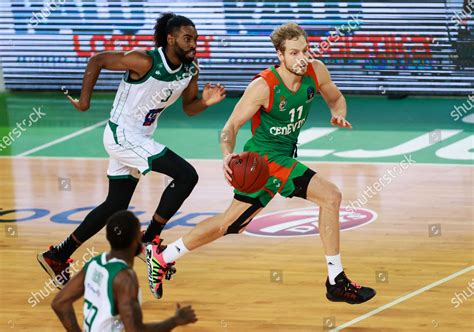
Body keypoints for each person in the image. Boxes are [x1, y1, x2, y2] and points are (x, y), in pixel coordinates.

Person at [146, 22, 376, 304]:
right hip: (265, 160)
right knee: (331, 196)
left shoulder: (316, 71)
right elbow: (229, 127)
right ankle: (335, 280)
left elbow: (336, 97)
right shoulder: (263, 86)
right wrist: (226, 155)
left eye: (305, 50)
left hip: (281, 157)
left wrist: (338, 113)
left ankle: (162, 256)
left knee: (229, 225)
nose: (301, 58)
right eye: (294, 53)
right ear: (280, 55)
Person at [37, 12, 226, 289]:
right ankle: (150, 239)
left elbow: (189, 107)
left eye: (196, 39)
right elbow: (97, 60)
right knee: (187, 176)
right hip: (122, 135)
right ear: (171, 38)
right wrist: (85, 103)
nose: (193, 44)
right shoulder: (145, 60)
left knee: (115, 205)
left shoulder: (190, 69)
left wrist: (206, 102)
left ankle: (58, 255)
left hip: (140, 137)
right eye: (188, 39)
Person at [51, 210, 198, 331]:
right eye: (139, 233)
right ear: (136, 239)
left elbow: (59, 303)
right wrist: (175, 321)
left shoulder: (95, 263)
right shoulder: (124, 278)